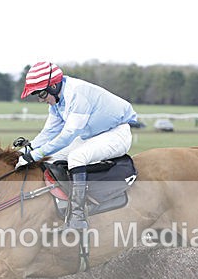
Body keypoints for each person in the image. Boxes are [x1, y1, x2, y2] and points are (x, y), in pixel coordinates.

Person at [15, 62, 138, 230]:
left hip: (116, 134)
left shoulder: (77, 94)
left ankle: (78, 215)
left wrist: (35, 156)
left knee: (76, 157)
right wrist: (24, 152)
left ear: (54, 86)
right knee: (51, 157)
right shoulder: (57, 101)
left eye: (42, 94)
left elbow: (67, 137)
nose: (41, 99)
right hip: (92, 136)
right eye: (37, 95)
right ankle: (58, 205)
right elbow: (48, 133)